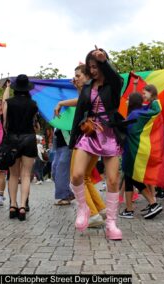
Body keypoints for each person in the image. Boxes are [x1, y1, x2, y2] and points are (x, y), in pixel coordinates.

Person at [68, 47, 125, 240]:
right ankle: (83, 208)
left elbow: (115, 77)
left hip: (109, 134)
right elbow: (79, 112)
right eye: (90, 66)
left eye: (96, 66)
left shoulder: (115, 84)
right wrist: (74, 137)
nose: (93, 70)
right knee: (76, 175)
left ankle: (111, 223)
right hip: (90, 133)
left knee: (112, 180)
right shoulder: (86, 87)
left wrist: (104, 61)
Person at [55, 64, 106, 228]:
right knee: (85, 177)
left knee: (76, 178)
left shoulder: (93, 91)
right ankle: (100, 209)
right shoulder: (94, 91)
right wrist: (65, 100)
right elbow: (82, 103)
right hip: (95, 137)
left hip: (86, 137)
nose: (74, 79)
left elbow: (84, 103)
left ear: (88, 77)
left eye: (78, 76)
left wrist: (62, 103)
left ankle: (92, 214)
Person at [119, 92, 163, 220]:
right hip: (135, 151)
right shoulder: (142, 112)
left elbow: (129, 130)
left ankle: (153, 203)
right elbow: (156, 109)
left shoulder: (134, 114)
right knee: (129, 179)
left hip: (132, 151)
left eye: (128, 100)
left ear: (131, 102)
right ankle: (129, 209)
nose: (126, 101)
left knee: (133, 179)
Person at [2, 75, 38, 221]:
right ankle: (23, 206)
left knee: (13, 175)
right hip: (29, 138)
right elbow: (35, 124)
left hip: (12, 138)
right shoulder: (33, 103)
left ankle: (13, 205)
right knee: (25, 175)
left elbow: (5, 123)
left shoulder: (8, 103)